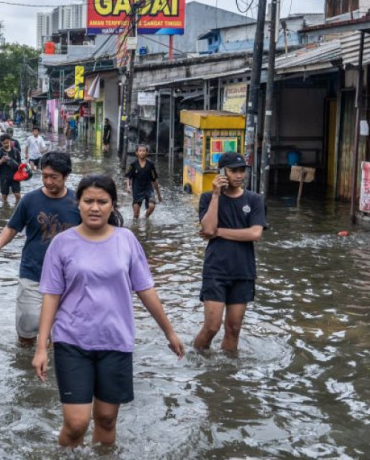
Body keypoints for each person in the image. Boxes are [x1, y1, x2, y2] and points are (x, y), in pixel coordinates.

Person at [32, 174, 184, 448]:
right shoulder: (62, 243)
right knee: (77, 424)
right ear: (77, 203)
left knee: (106, 420)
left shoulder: (126, 240)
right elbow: (51, 296)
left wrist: (169, 332)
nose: (94, 207)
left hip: (116, 341)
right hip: (71, 341)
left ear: (113, 204)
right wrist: (41, 347)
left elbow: (145, 289)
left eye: (102, 201)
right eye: (88, 201)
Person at [0, 152, 79, 347]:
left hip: (67, 278)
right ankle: (25, 370)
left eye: (54, 177)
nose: (48, 181)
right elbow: (13, 227)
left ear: (66, 176)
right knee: (26, 332)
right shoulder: (29, 200)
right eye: (45, 176)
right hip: (32, 273)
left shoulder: (78, 202)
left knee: (61, 335)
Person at [194, 152, 266, 353]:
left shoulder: (254, 200)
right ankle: (197, 360)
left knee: (233, 329)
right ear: (222, 173)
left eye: (242, 170)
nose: (239, 175)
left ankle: (228, 375)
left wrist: (219, 232)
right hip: (216, 270)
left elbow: (255, 233)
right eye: (234, 171)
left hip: (243, 272)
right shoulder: (208, 198)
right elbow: (208, 229)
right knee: (212, 327)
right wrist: (216, 194)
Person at [125, 144, 163, 219]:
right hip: (137, 189)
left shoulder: (150, 165)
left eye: (144, 151)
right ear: (137, 153)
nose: (142, 152)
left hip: (148, 189)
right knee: (136, 214)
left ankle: (145, 217)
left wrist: (159, 195)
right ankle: (137, 225)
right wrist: (128, 187)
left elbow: (154, 180)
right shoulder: (133, 165)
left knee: (151, 206)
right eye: (140, 151)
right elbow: (128, 177)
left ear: (147, 153)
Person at [0, 133, 23, 204]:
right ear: (1, 143)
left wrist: (11, 160)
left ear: (10, 141)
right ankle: (5, 209)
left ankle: (18, 207)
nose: (6, 144)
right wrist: (1, 161)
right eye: (4, 143)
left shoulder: (15, 151)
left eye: (7, 142)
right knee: (4, 196)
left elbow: (19, 164)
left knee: (17, 195)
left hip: (15, 176)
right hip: (4, 177)